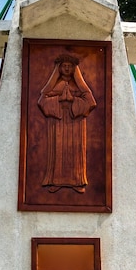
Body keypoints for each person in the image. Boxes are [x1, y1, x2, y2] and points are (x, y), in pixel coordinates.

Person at [37, 53, 96, 192]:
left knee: (76, 151)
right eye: (64, 66)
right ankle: (55, 181)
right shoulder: (55, 85)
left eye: (70, 66)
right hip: (57, 121)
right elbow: (42, 100)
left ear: (75, 69)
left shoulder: (80, 86)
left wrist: (73, 100)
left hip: (76, 122)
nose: (67, 69)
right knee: (58, 150)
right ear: (59, 68)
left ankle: (77, 182)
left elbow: (91, 102)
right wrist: (58, 99)